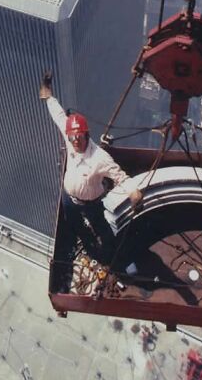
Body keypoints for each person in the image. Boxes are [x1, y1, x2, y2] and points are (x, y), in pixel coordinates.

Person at [39, 74, 143, 267]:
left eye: (79, 137)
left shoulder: (99, 158)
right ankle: (86, 242)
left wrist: (134, 193)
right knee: (74, 222)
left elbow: (119, 175)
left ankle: (112, 255)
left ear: (86, 135)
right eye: (72, 138)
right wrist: (48, 95)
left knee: (101, 227)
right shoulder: (70, 138)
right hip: (69, 198)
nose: (75, 141)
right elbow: (59, 116)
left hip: (91, 203)